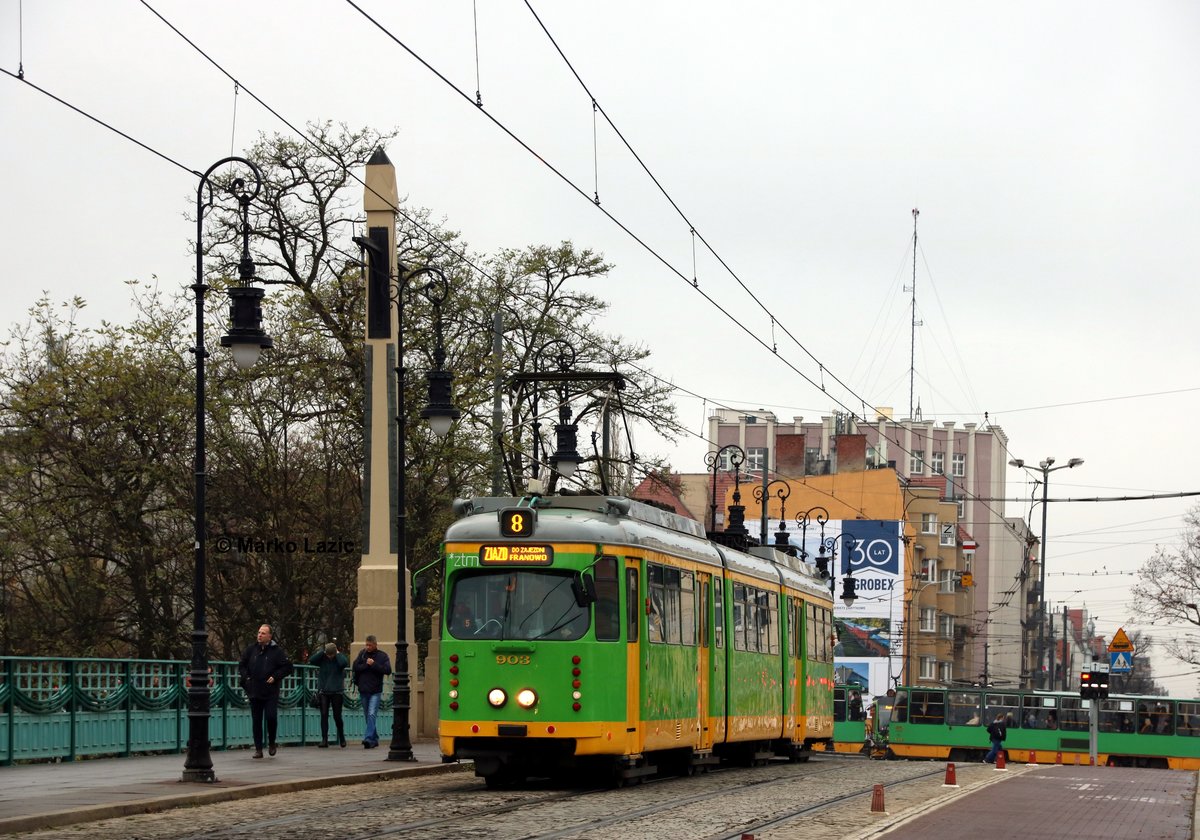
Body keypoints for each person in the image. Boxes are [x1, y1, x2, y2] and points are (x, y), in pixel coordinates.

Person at [239, 623, 293, 759]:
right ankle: (258, 749)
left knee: (271, 717)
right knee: (256, 720)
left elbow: (287, 667)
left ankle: (272, 742)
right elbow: (242, 664)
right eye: (259, 632)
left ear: (269, 636)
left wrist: (275, 676)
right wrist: (246, 678)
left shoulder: (276, 652)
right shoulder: (251, 650)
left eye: (263, 633)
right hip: (254, 690)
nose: (260, 635)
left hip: (270, 691)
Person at [353, 634, 392, 749]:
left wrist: (374, 664)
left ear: (375, 645)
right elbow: (355, 667)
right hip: (363, 689)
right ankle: (374, 738)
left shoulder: (382, 656)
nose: (368, 647)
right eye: (366, 645)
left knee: (371, 714)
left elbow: (387, 670)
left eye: (370, 645)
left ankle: (368, 738)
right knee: (367, 715)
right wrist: (366, 664)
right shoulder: (362, 654)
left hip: (375, 690)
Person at [309, 641, 349, 748]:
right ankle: (324, 739)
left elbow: (344, 663)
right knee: (324, 715)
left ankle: (342, 737)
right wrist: (323, 652)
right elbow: (312, 660)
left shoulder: (339, 659)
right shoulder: (323, 658)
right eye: (328, 654)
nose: (330, 657)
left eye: (332, 654)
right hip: (324, 691)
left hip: (337, 691)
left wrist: (338, 654)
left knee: (337, 716)